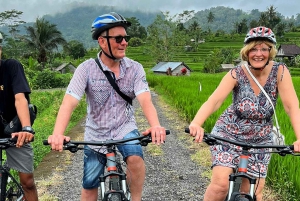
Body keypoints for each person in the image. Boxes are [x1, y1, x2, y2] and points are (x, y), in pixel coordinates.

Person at [47, 12, 166, 201]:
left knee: (135, 158)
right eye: (118, 38)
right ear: (102, 42)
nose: (124, 42)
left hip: (125, 128)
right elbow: (69, 102)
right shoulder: (85, 69)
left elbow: (145, 99)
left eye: (125, 38)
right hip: (96, 133)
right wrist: (58, 133)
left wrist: (156, 125)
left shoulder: (135, 68)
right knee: (89, 185)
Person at [188, 26, 300, 201]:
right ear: (246, 52)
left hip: (261, 138)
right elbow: (214, 101)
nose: (258, 53)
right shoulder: (236, 73)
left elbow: (291, 106)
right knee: (220, 186)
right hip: (229, 133)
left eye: (264, 48)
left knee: (254, 193)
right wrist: (196, 123)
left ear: (271, 51)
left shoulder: (280, 71)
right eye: (253, 48)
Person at [0, 32, 39, 200]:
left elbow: (20, 98)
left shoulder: (11, 66)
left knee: (27, 182)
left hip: (16, 129)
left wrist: (26, 128)